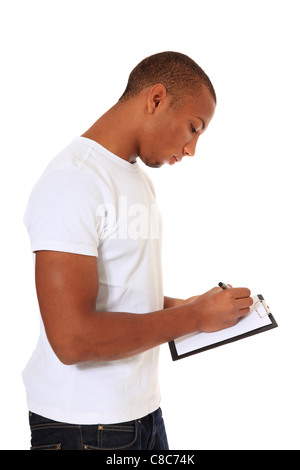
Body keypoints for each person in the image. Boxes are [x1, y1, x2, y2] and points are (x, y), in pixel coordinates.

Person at [23, 51, 253, 451]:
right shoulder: (72, 180)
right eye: (193, 128)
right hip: (83, 429)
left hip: (143, 417)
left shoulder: (137, 180)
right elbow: (72, 339)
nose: (192, 149)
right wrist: (193, 316)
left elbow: (119, 296)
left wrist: (189, 307)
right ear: (157, 99)